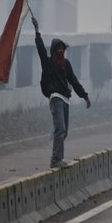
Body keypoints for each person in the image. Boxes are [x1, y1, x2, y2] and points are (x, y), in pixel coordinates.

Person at [31, 17, 91, 168]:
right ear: (53, 50)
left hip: (65, 99)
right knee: (61, 129)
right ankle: (56, 159)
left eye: (62, 49)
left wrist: (85, 96)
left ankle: (57, 158)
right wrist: (37, 31)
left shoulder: (66, 64)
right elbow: (40, 49)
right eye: (58, 49)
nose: (61, 51)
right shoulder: (49, 64)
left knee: (65, 132)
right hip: (56, 98)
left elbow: (74, 81)